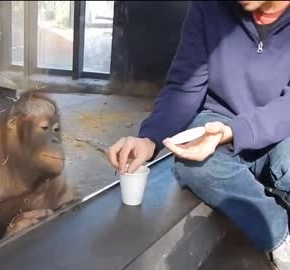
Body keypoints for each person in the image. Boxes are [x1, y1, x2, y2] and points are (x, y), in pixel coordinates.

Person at [106, 1, 290, 269]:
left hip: (279, 127)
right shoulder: (208, 9)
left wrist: (236, 132)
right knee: (194, 163)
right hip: (218, 120)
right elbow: (184, 87)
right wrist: (150, 138)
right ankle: (279, 235)